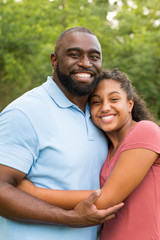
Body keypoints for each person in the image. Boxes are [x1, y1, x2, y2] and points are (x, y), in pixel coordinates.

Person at [0, 28, 123, 240]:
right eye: (74, 55)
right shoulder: (24, 112)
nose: (86, 63)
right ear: (55, 61)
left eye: (94, 57)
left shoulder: (101, 117)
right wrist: (71, 218)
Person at [19, 68, 160, 239]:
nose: (105, 107)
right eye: (96, 102)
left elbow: (104, 200)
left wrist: (34, 193)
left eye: (114, 99)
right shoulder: (107, 149)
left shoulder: (146, 131)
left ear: (130, 104)